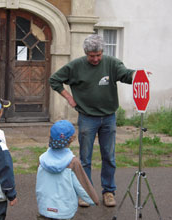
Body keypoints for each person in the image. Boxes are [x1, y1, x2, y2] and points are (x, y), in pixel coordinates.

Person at [49, 34, 136, 207]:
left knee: (109, 157)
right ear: (86, 53)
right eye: (92, 56)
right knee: (85, 158)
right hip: (87, 118)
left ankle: (109, 192)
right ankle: (85, 194)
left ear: (102, 52)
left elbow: (126, 75)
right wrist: (68, 97)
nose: (95, 59)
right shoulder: (76, 66)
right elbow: (54, 80)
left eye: (98, 55)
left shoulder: (111, 63)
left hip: (109, 118)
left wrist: (139, 75)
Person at [35, 120, 99, 220]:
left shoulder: (42, 160)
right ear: (72, 139)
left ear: (50, 137)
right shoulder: (73, 162)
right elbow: (82, 186)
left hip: (45, 207)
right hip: (64, 210)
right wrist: (93, 199)